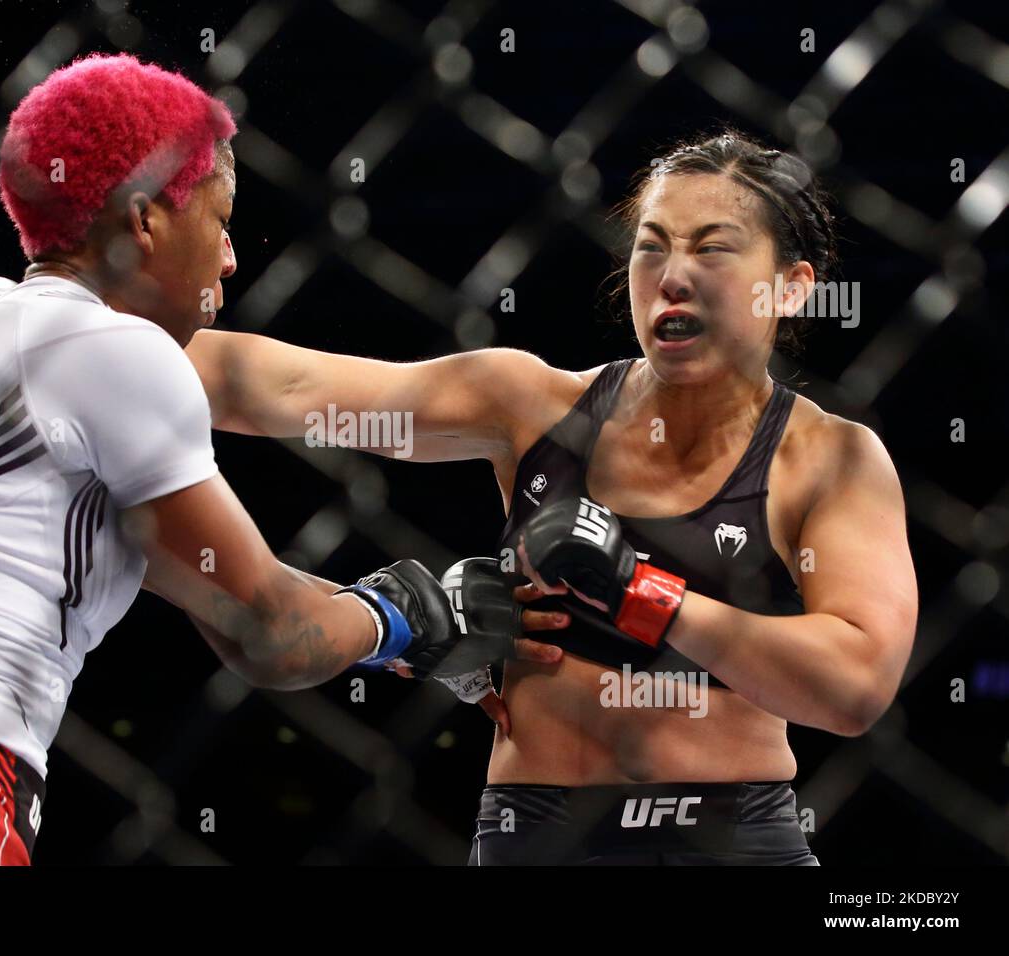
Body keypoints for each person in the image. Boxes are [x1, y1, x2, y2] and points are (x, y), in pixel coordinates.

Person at [0, 55, 540, 868]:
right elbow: (267, 632)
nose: (228, 259)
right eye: (220, 222)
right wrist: (401, 614)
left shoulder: (30, 340)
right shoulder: (111, 351)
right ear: (146, 221)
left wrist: (409, 625)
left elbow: (223, 574)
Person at [170, 130, 919, 864]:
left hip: (739, 835)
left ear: (791, 285)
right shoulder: (529, 406)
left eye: (712, 247)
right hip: (537, 832)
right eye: (651, 246)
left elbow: (855, 686)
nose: (673, 274)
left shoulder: (829, 458)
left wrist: (639, 594)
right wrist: (70, 317)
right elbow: (277, 387)